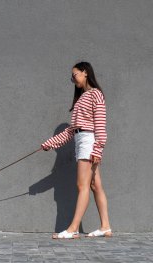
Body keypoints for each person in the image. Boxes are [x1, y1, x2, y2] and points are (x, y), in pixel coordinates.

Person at [41, 61, 112, 239]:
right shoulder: (82, 98)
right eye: (71, 77)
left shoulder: (96, 94)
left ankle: (72, 229)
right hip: (83, 140)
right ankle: (105, 226)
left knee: (82, 185)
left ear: (85, 72)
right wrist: (51, 143)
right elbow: (72, 130)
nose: (73, 79)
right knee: (95, 185)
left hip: (89, 142)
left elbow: (101, 126)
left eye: (75, 75)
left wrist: (97, 149)